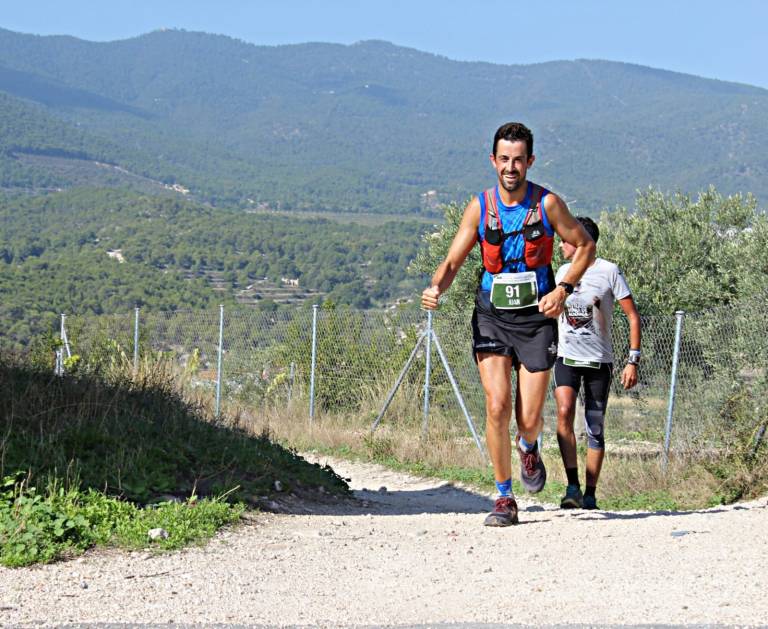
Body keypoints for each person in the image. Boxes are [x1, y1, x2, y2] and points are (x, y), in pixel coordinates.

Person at [421, 122, 595, 526]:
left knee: (529, 418)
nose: (511, 167)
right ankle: (503, 497)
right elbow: (452, 261)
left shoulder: (548, 205)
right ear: (493, 161)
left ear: (530, 161)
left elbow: (585, 246)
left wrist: (564, 288)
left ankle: (528, 445)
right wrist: (435, 287)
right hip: (492, 317)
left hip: (537, 320)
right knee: (497, 404)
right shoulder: (479, 207)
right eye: (504, 159)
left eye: (518, 160)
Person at [554, 216, 641, 510]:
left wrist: (633, 360)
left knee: (594, 426)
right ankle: (572, 486)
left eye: (565, 238)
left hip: (598, 362)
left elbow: (632, 316)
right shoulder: (562, 272)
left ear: (582, 241)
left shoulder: (609, 271)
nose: (560, 243)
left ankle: (590, 493)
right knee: (564, 412)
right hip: (566, 357)